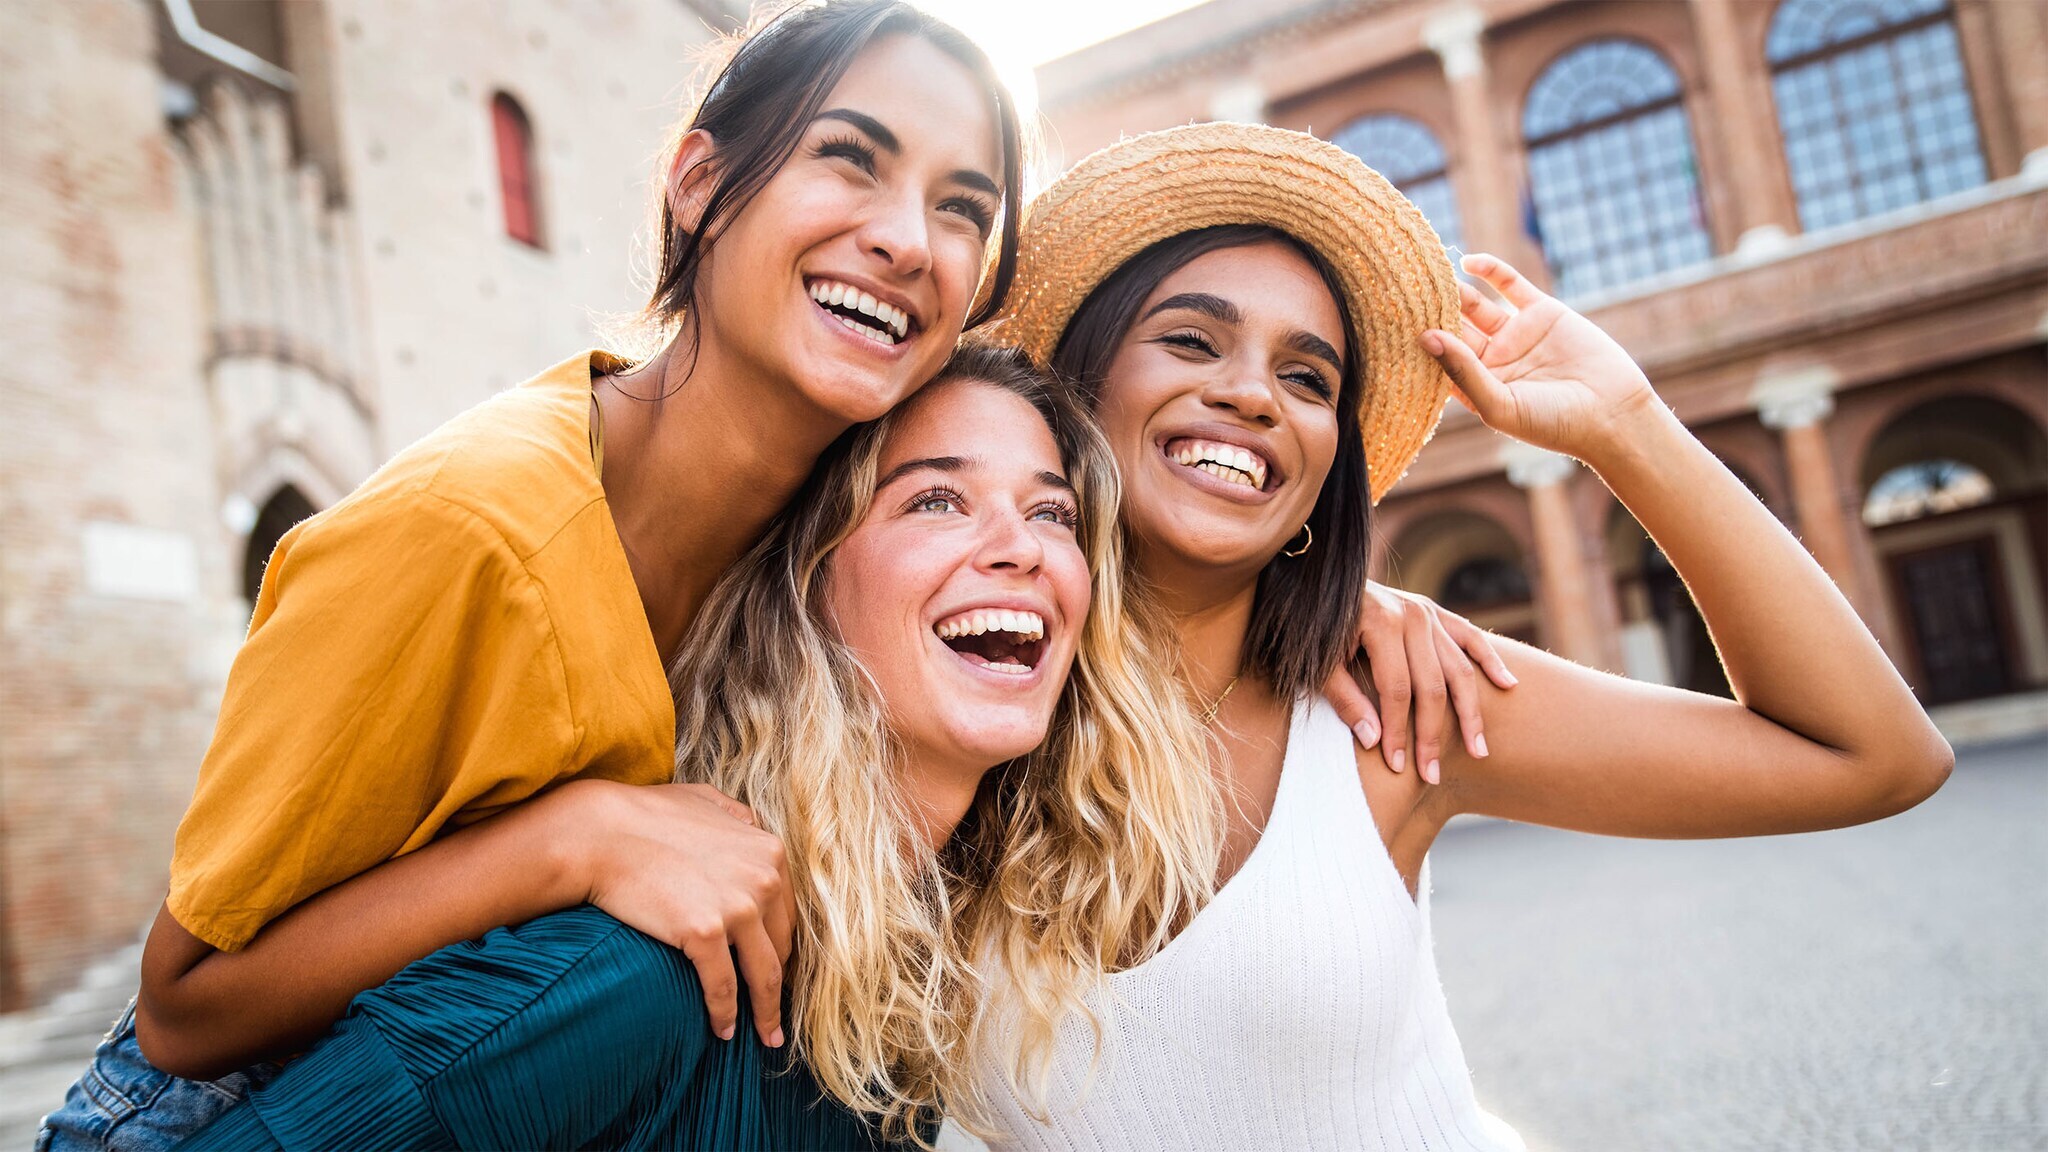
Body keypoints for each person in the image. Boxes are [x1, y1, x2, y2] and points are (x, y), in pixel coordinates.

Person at [40, 3, 1027, 1148]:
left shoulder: (831, 540)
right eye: (847, 158)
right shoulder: (464, 531)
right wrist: (577, 838)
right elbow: (183, 1006)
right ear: (699, 184)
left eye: (963, 209)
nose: (909, 239)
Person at [964, 122, 1954, 1150]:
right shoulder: (938, 715)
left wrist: (1628, 426)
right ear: (1072, 388)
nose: (1252, 394)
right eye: (1189, 339)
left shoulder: (1396, 711)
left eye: (1309, 380)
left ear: (1321, 476)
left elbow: (1872, 757)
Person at [179, 346, 1220, 1149]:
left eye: (1053, 513)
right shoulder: (630, 980)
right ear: (805, 585)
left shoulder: (907, 973)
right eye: (934, 499)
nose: (1020, 547)